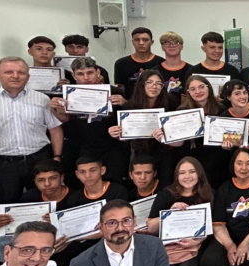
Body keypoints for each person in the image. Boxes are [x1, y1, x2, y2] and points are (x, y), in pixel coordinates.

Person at [0, 56, 63, 204]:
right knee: (9, 204)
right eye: (9, 72)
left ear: (28, 76)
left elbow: (55, 129)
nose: (15, 76)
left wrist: (57, 157)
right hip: (5, 165)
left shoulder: (42, 99)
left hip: (39, 160)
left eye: (21, 72)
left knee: (44, 201)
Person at [142, 157, 212, 266]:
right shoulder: (166, 194)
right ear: (176, 176)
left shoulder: (207, 194)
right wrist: (169, 213)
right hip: (168, 247)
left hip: (196, 245)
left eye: (192, 172)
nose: (187, 176)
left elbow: (212, 228)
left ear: (199, 174)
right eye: (182, 173)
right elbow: (151, 227)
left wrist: (197, 242)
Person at [49, 57, 129, 185]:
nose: (86, 78)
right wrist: (55, 109)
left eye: (90, 73)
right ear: (74, 75)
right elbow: (64, 120)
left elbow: (127, 120)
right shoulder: (68, 94)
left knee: (113, 183)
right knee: (82, 184)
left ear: (98, 72)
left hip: (111, 147)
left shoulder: (115, 92)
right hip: (81, 147)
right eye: (80, 74)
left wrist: (125, 103)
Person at [0, 159, 74, 262]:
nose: (47, 184)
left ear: (62, 178)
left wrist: (58, 224)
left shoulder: (75, 197)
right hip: (33, 235)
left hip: (61, 239)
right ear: (35, 181)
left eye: (53, 178)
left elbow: (79, 230)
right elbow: (19, 226)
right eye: (41, 180)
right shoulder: (30, 195)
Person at [109, 69, 181, 185]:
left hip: (166, 153)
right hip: (140, 153)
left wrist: (166, 134)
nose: (154, 86)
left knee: (165, 184)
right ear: (141, 84)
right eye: (149, 82)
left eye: (158, 83)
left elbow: (178, 132)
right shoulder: (130, 106)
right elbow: (126, 137)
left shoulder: (172, 103)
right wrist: (117, 134)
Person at [113, 27, 165, 97]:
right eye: (137, 40)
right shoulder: (121, 63)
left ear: (152, 42)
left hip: (156, 102)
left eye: (145, 40)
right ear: (132, 42)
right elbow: (121, 88)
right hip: (129, 102)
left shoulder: (161, 62)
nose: (141, 43)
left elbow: (163, 87)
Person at [149, 31, 192, 96]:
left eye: (176, 42)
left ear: (182, 46)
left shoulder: (192, 70)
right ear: (162, 47)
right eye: (167, 43)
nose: (171, 45)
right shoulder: (154, 71)